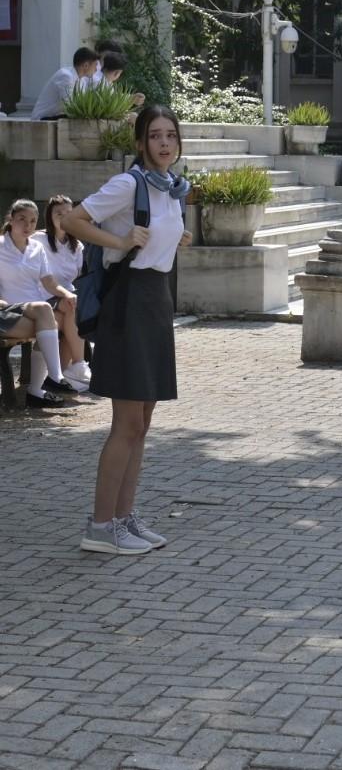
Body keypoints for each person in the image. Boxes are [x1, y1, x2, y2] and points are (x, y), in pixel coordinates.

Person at [62, 104, 193, 556]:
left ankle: (123, 517)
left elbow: (157, 239)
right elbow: (73, 219)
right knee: (127, 422)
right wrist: (119, 241)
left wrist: (175, 237)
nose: (164, 143)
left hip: (156, 300)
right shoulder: (129, 183)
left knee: (144, 420)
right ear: (141, 143)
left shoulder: (172, 189)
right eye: (155, 135)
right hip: (129, 304)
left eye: (170, 135)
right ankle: (100, 525)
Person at [0, 200, 79, 407]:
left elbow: (49, 282)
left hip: (34, 311)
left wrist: (67, 295)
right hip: (7, 311)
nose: (27, 225)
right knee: (48, 318)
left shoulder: (36, 248)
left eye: (33, 221)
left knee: (56, 317)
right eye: (22, 219)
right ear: (11, 219)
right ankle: (52, 379)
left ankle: (37, 389)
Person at [32, 195, 90, 391]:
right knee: (71, 306)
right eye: (58, 213)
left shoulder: (77, 246)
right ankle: (79, 365)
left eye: (68, 213)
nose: (64, 217)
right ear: (50, 216)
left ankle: (61, 377)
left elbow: (78, 278)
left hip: (66, 300)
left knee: (68, 318)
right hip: (42, 296)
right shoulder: (38, 239)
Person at [31, 47, 99, 120]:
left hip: (55, 117)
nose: (96, 69)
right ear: (86, 65)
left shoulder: (81, 80)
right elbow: (70, 106)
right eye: (95, 65)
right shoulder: (66, 76)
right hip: (42, 118)